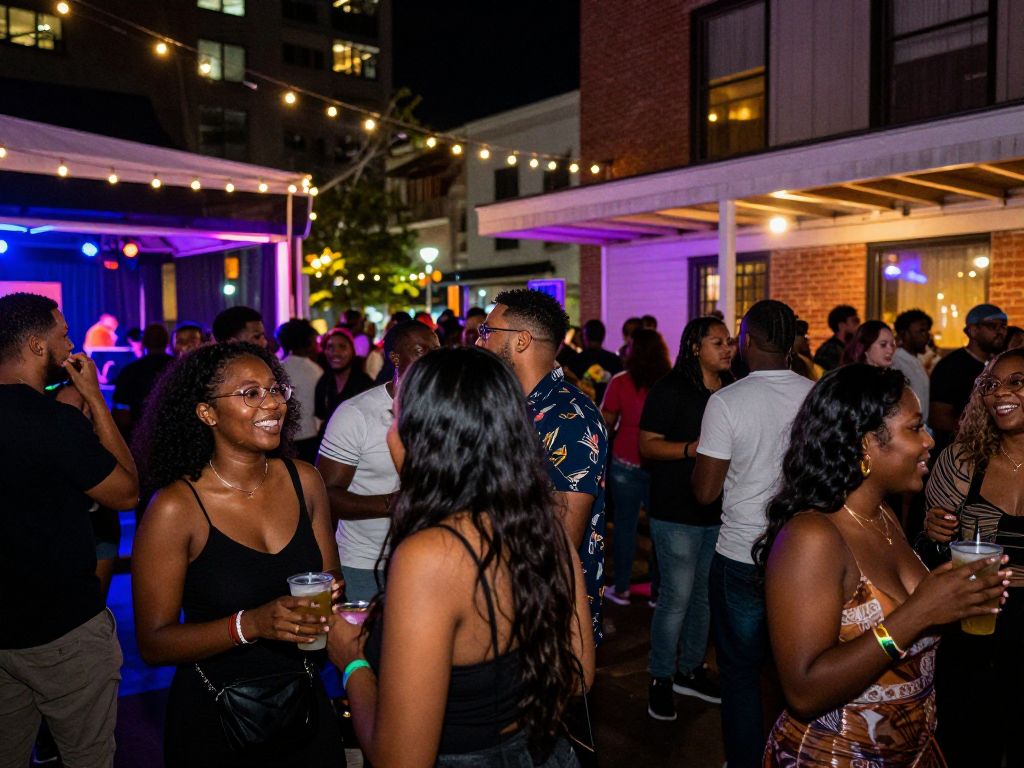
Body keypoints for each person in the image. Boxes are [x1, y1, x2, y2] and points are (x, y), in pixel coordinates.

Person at [326, 346, 594, 766]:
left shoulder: (430, 556)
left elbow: (400, 760)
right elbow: (578, 676)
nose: (389, 434)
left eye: (396, 418)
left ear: (428, 436)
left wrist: (353, 662)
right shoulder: (544, 525)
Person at [757, 364, 1008, 767]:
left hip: (914, 749)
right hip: (838, 756)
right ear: (864, 444)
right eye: (915, 428)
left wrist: (960, 599)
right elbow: (803, 690)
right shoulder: (813, 537)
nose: (929, 441)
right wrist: (920, 612)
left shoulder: (884, 515)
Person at [131, 342, 345, 767]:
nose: (273, 404)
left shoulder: (306, 481)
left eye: (275, 389)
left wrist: (332, 602)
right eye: (250, 394)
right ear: (207, 413)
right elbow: (154, 643)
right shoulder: (176, 507)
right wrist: (253, 624)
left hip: (305, 698)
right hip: (216, 714)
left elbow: (329, 577)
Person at [0, 293, 138, 768]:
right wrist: (95, 400)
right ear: (38, 346)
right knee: (88, 758)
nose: (72, 342)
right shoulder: (54, 422)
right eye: (63, 335)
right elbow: (125, 492)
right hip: (63, 631)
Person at [692, 299, 814, 768]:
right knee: (794, 672)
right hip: (801, 555)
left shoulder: (726, 401)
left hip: (742, 554)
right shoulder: (815, 394)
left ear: (748, 340)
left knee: (740, 675)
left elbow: (705, 491)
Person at [477, 288, 609, 646]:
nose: (478, 341)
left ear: (521, 341)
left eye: (487, 332)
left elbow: (561, 540)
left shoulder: (570, 419)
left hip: (543, 618)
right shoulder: (509, 405)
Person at [921, 347, 1024, 767]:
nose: (1001, 392)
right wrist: (933, 535)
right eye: (990, 385)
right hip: (975, 627)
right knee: (967, 747)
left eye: (1016, 381)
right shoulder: (962, 461)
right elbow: (925, 559)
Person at [639, 317, 732, 721]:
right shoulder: (670, 389)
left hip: (718, 510)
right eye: (718, 342)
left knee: (704, 598)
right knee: (675, 597)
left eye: (729, 342)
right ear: (695, 347)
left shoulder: (732, 390)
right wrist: (693, 449)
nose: (728, 348)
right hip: (675, 510)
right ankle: (660, 677)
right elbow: (647, 445)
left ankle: (690, 669)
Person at [317, 321, 440, 602]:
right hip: (367, 565)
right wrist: (396, 502)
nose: (433, 358)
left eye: (437, 350)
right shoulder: (355, 414)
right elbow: (325, 494)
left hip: (430, 560)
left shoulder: (448, 408)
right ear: (395, 356)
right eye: (422, 350)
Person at [601, 328, 671, 607]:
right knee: (659, 528)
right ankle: (657, 590)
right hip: (660, 460)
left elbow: (606, 422)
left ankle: (622, 589)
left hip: (625, 460)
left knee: (624, 527)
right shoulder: (667, 384)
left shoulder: (620, 382)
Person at [930, 303, 1007, 452]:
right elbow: (939, 418)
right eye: (993, 326)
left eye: (1003, 326)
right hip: (957, 454)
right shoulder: (950, 367)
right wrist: (978, 432)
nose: (1000, 331)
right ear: (973, 330)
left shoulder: (998, 365)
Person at [112, 323, 173, 441]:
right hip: (174, 436)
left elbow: (121, 415)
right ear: (167, 341)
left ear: (144, 342)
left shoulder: (130, 371)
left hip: (140, 438)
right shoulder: (179, 368)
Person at [277, 319, 326, 464]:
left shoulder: (278, 369)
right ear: (308, 342)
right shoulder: (316, 370)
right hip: (310, 435)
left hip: (283, 436)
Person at [314, 327, 373, 429]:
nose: (336, 352)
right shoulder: (324, 382)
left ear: (353, 351)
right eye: (330, 347)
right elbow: (321, 415)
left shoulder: (364, 383)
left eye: (342, 347)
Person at [892, 309, 933, 423]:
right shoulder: (896, 362)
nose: (927, 336)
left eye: (927, 331)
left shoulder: (917, 360)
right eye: (921, 331)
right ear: (904, 333)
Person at [569, 319, 623, 405]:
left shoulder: (574, 360)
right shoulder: (614, 360)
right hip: (607, 410)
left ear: (585, 336)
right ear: (603, 336)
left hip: (582, 409)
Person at [813, 305, 860, 372]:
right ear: (841, 325)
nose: (858, 326)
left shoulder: (852, 348)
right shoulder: (828, 351)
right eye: (855, 321)